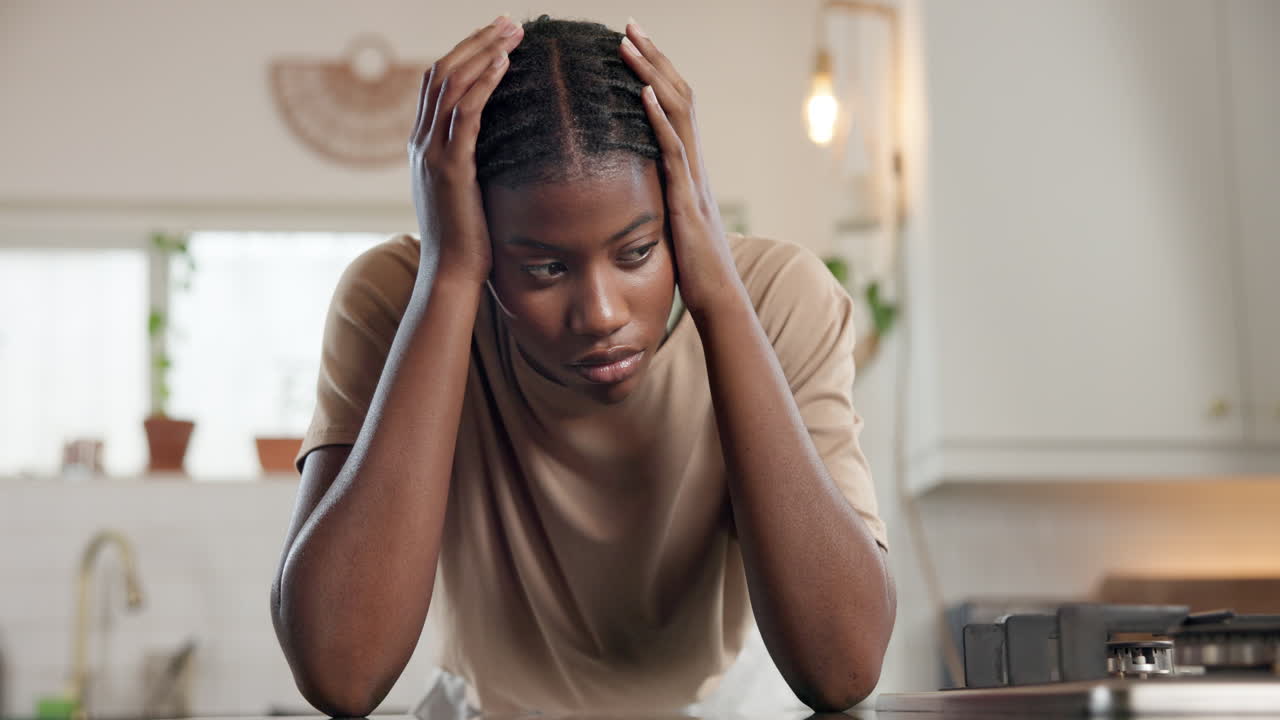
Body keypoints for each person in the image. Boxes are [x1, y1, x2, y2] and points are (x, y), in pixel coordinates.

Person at [269, 14, 895, 717]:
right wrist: (448, 279)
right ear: (472, 230)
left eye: (637, 252)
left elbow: (842, 667)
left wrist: (717, 289)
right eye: (543, 267)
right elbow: (340, 672)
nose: (599, 313)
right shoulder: (398, 298)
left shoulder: (777, 296)